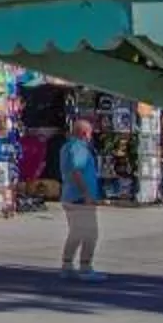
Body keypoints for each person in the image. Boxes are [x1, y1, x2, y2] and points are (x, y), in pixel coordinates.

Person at [57, 116, 105, 281]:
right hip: (80, 198)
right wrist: (87, 194)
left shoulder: (67, 147)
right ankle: (85, 267)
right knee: (90, 233)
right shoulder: (79, 148)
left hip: (70, 195)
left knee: (76, 233)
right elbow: (76, 172)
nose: (92, 136)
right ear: (85, 133)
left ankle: (67, 264)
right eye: (91, 133)